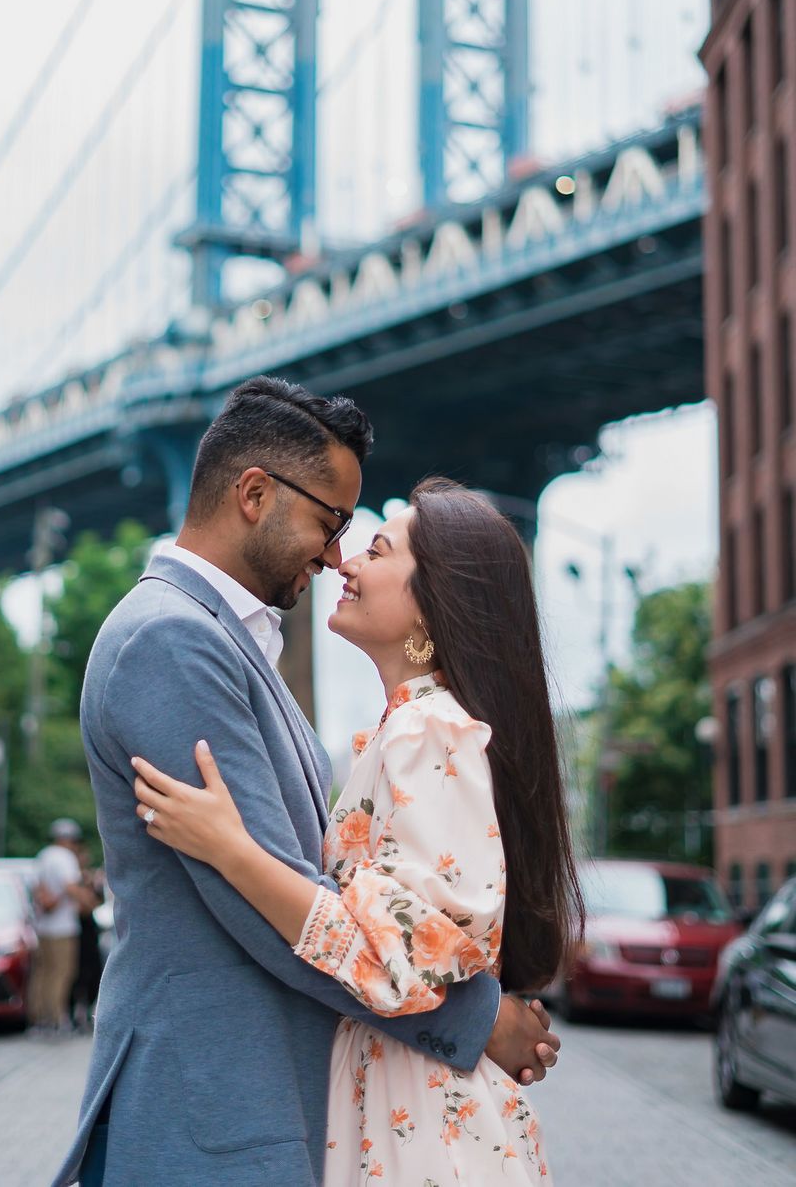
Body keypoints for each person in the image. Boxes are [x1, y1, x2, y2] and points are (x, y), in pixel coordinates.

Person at [50, 377, 560, 1187]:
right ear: (255, 494)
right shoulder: (172, 643)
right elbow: (264, 908)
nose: (335, 555)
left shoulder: (256, 651)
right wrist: (479, 1018)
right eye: (332, 522)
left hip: (265, 1113)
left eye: (361, 537)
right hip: (211, 1117)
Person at [133, 480, 584, 1183]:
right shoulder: (406, 730)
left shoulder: (427, 731)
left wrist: (231, 849)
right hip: (407, 1106)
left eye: (376, 549)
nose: (345, 562)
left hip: (424, 1127)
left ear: (434, 606)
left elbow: (393, 958)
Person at [31, 817, 86, 1034]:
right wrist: (88, 900)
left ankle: (38, 1018)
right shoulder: (65, 857)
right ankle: (56, 1018)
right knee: (62, 972)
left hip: (43, 926)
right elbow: (70, 887)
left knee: (42, 973)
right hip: (63, 928)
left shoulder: (43, 856)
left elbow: (37, 888)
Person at [69, 843, 105, 1032]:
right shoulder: (71, 879)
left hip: (89, 929)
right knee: (77, 972)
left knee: (93, 970)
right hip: (76, 929)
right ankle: (75, 1012)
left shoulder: (89, 878)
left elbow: (95, 902)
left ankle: (86, 1011)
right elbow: (84, 905)